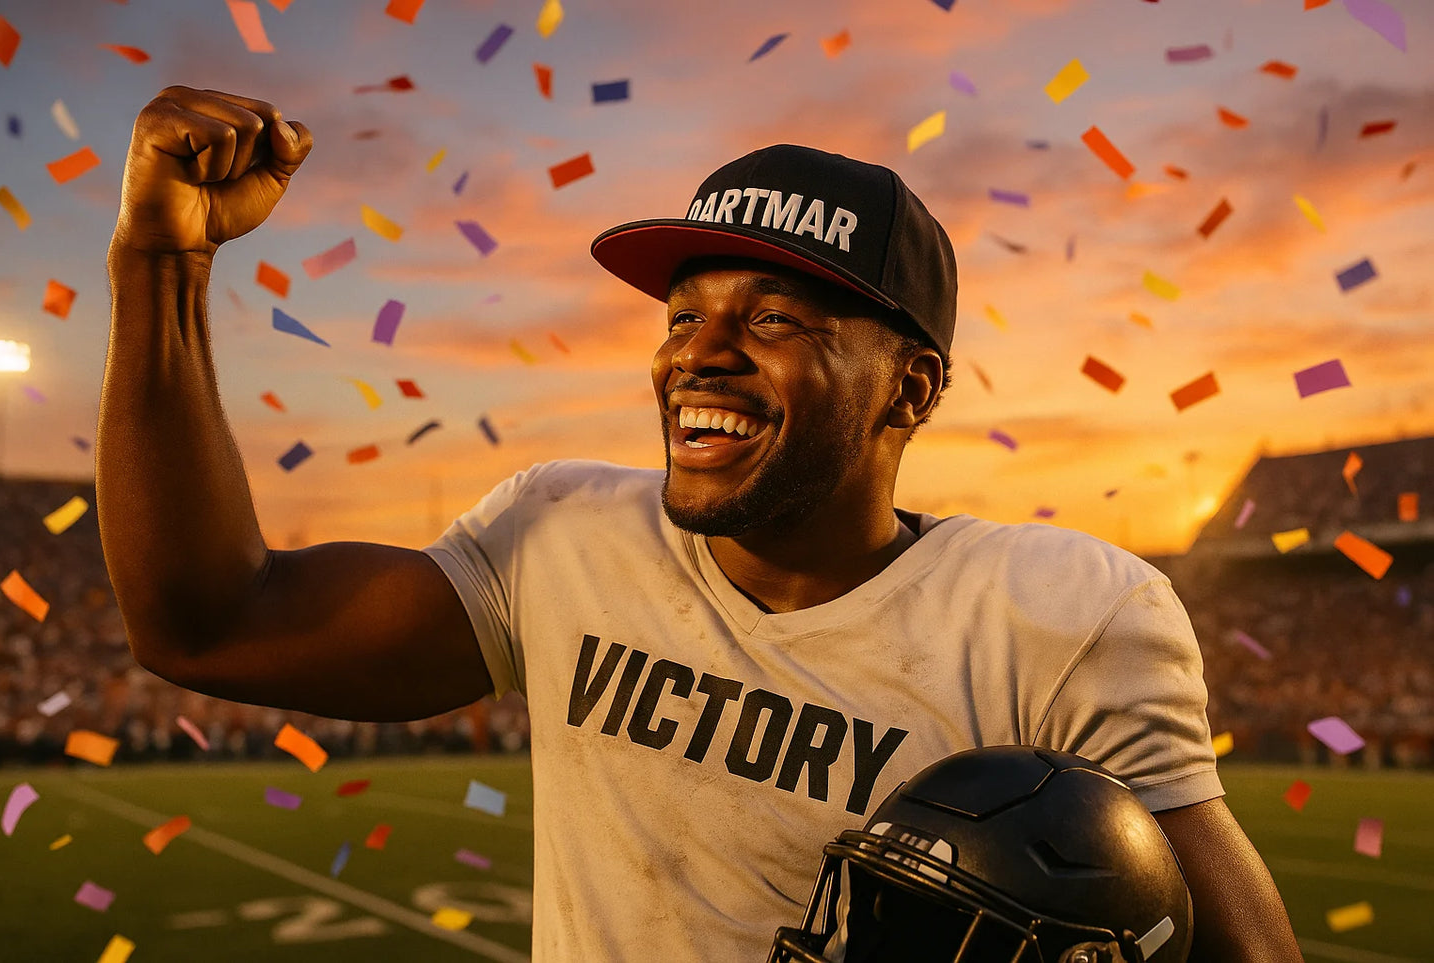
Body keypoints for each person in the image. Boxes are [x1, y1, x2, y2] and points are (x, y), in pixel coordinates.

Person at [99, 87, 1304, 962]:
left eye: (773, 318)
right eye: (682, 315)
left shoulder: (1059, 615)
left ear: (911, 389)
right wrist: (162, 264)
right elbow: (208, 625)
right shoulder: (564, 532)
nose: (700, 356)